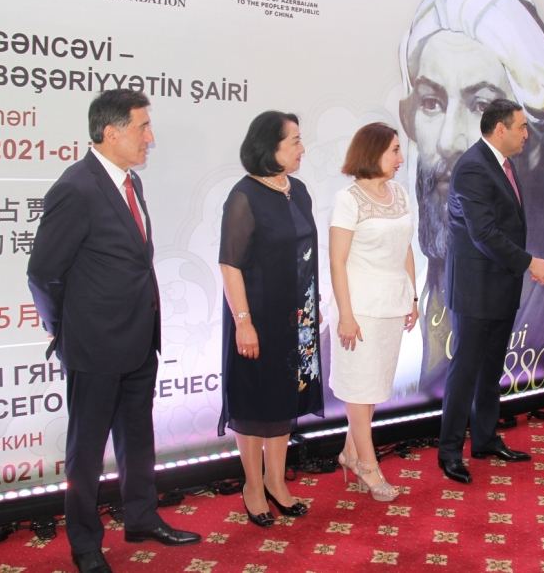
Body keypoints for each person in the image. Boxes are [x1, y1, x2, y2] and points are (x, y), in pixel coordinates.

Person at [27, 89, 200, 573]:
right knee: (86, 451)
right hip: (94, 345)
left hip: (139, 338)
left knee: (137, 436)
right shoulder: (76, 188)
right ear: (111, 132)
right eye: (143, 127)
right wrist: (63, 329)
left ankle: (141, 517)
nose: (150, 137)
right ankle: (85, 544)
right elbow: (43, 273)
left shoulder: (130, 183)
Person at [399, 0, 544, 391]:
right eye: (432, 102)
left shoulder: (543, 310)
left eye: (479, 106)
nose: (448, 141)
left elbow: (488, 235)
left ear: (530, 138)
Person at [437, 98, 544, 485]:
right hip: (476, 290)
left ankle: (486, 438)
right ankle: (450, 452)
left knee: (491, 368)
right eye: (521, 127)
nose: (527, 134)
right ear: (500, 129)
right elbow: (485, 234)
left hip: (501, 285)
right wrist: (530, 263)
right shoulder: (474, 166)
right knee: (466, 371)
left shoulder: (503, 163)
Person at [217, 110, 323, 528]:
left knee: (283, 402)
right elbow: (230, 265)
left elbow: (303, 253)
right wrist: (243, 322)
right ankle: (253, 486)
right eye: (294, 141)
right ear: (269, 147)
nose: (302, 148)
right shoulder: (244, 196)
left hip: (296, 317)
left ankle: (277, 482)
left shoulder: (298, 191)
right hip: (257, 317)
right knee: (255, 403)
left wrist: (312, 304)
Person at [329, 123, 419, 502]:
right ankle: (368, 465)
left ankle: (350, 453)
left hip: (392, 304)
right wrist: (346, 315)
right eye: (394, 150)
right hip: (361, 310)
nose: (401, 158)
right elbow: (337, 262)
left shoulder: (399, 194)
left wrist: (413, 297)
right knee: (359, 388)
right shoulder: (348, 199)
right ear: (373, 152)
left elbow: (406, 247)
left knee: (374, 388)